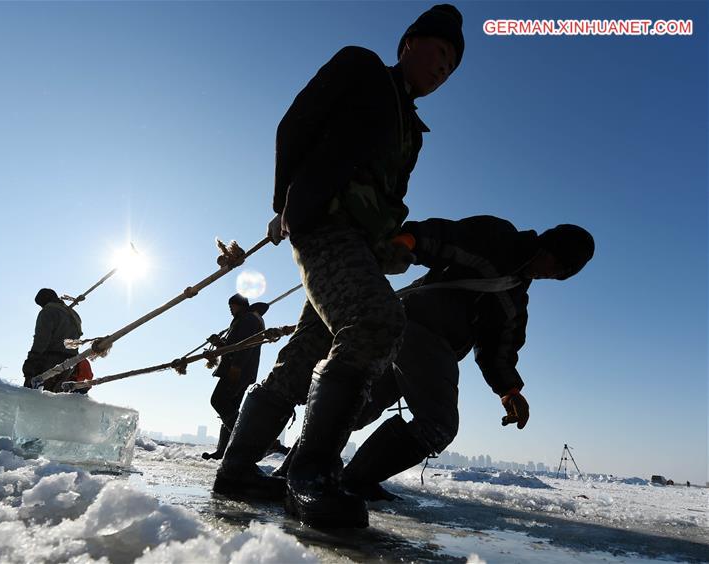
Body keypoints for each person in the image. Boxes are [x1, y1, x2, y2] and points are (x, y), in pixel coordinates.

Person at [213, 4, 465, 529]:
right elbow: (296, 123)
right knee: (376, 323)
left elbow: (383, 196)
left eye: (451, 66)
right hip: (322, 225)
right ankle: (311, 474)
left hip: (359, 245)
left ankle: (237, 469)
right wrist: (285, 202)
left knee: (306, 353)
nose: (442, 69)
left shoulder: (412, 132)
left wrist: (388, 245)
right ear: (408, 43)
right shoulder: (362, 68)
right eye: (439, 52)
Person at [337, 217, 595, 501]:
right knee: (439, 424)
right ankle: (354, 480)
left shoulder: (516, 302)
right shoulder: (499, 238)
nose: (552, 273)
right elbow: (446, 237)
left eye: (561, 273)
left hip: (417, 339)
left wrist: (509, 391)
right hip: (422, 329)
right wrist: (410, 240)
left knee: (358, 404)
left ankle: (304, 468)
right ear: (549, 246)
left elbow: (498, 350)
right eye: (557, 264)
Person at [202, 294, 269, 460]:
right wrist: (219, 344)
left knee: (218, 401)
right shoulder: (247, 319)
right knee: (229, 408)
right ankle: (223, 451)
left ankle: (247, 441)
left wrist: (236, 367)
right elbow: (233, 346)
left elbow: (244, 346)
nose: (230, 310)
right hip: (242, 371)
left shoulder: (248, 320)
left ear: (240, 305)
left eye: (232, 306)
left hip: (237, 371)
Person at [22, 288, 84, 392]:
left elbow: (41, 339)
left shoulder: (48, 311)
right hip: (69, 364)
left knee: (32, 397)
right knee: (51, 401)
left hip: (49, 363)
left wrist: (31, 361)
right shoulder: (75, 315)